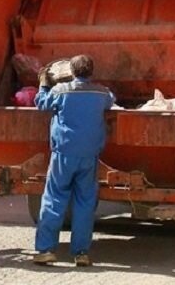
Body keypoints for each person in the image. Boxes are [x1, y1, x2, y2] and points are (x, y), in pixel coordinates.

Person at [33, 55, 115, 267]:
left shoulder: (61, 91)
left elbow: (41, 104)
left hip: (64, 154)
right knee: (85, 203)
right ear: (91, 72)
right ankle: (81, 253)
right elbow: (112, 100)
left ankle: (46, 250)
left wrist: (43, 84)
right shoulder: (101, 93)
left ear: (71, 72)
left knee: (54, 199)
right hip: (89, 156)